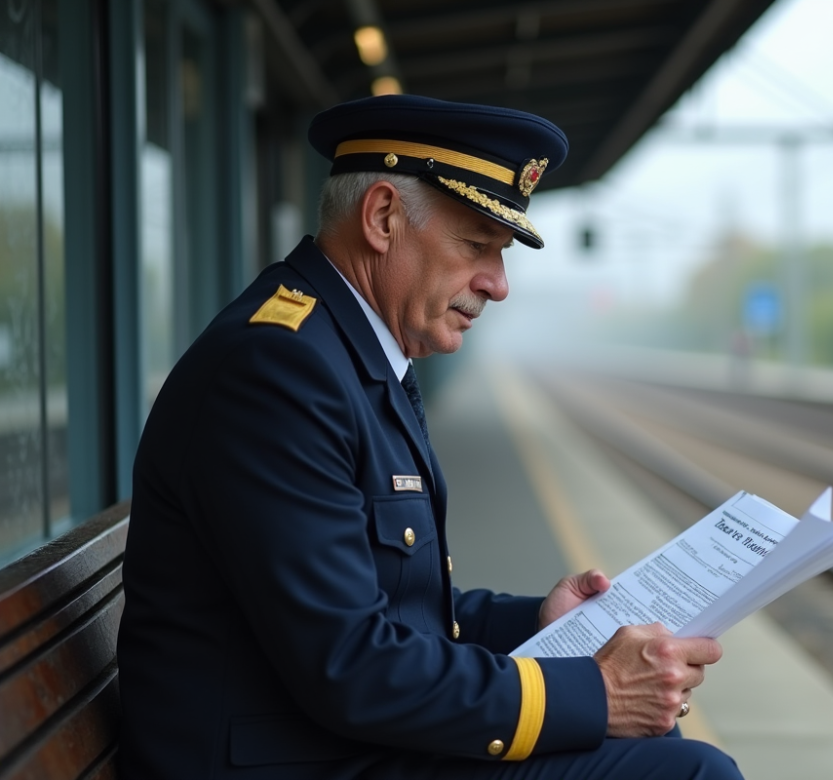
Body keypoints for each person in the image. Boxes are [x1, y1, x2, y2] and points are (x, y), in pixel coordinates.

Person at [117, 94, 741, 780]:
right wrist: (599, 690)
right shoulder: (279, 370)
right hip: (288, 760)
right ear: (382, 217)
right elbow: (352, 663)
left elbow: (384, 612)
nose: (497, 285)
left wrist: (537, 622)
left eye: (500, 254)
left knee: (660, 754)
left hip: (324, 742)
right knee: (688, 774)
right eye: (477, 246)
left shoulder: (344, 353)